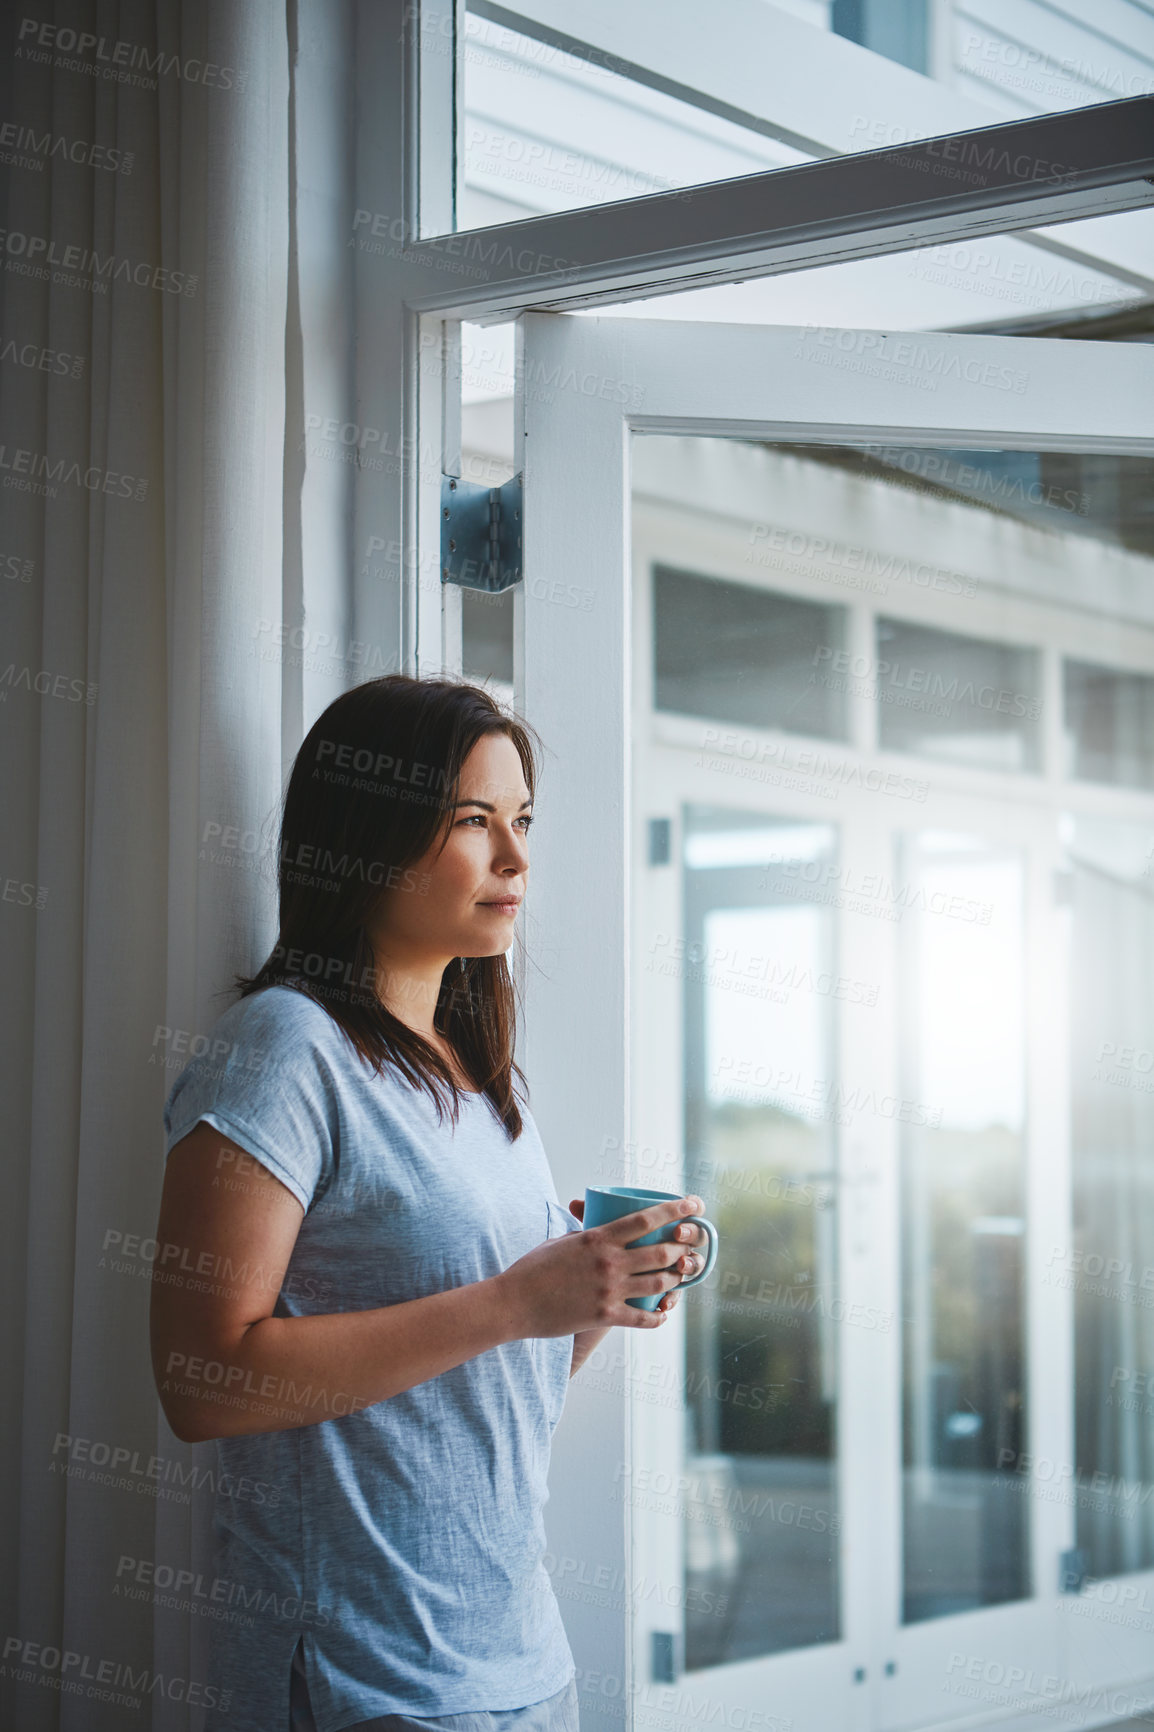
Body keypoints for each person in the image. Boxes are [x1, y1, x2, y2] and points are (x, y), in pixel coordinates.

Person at [150, 675, 710, 1732]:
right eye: (472, 820)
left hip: (520, 1667)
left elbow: (491, 1365)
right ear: (369, 831)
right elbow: (200, 1381)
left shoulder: (475, 1073)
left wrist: (590, 1290)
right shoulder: (281, 1050)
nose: (516, 856)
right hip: (362, 1682)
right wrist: (512, 1302)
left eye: (523, 820)